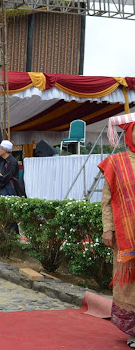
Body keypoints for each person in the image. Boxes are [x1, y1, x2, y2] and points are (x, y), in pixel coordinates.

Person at [98, 113, 135, 349]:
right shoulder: (116, 162)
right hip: (126, 236)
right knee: (130, 284)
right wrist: (108, 229)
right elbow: (106, 200)